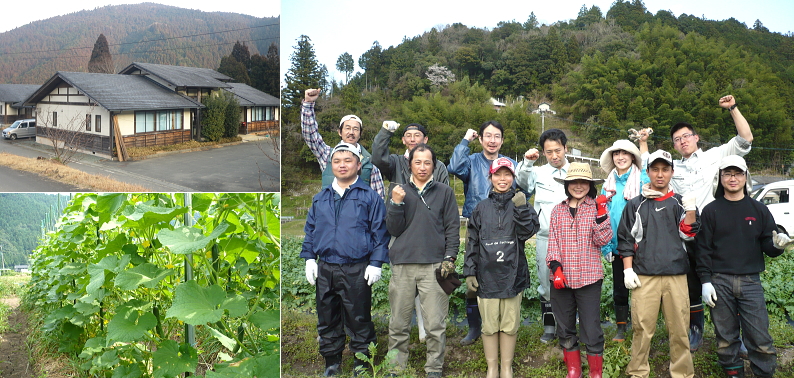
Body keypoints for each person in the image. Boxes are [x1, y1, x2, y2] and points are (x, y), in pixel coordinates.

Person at [640, 95, 753, 351]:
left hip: (718, 229)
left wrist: (733, 109)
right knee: (692, 281)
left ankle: (738, 336)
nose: (682, 141)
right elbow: (650, 165)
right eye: (677, 139)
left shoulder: (715, 155)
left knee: (726, 278)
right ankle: (696, 330)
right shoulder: (673, 168)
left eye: (685, 136)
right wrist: (644, 145)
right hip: (688, 232)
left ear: (696, 137)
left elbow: (745, 139)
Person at [696, 155, 792, 378]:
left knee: (760, 337)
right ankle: (733, 374)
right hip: (719, 281)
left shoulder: (758, 209)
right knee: (725, 338)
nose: (733, 178)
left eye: (738, 173)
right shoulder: (711, 211)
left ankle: (764, 373)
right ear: (720, 178)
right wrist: (705, 281)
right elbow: (703, 249)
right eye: (727, 173)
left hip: (750, 281)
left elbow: (769, 245)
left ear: (745, 177)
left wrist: (778, 245)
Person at [300, 143, 390, 377]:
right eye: (337, 161)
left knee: (358, 317)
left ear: (358, 165)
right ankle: (332, 361)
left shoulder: (369, 197)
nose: (342, 164)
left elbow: (380, 232)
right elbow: (310, 230)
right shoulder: (320, 199)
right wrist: (310, 258)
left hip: (356, 268)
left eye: (348, 160)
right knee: (327, 317)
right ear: (332, 165)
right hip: (326, 267)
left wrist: (376, 263)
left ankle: (362, 361)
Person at [618, 150, 699, 378]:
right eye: (655, 169)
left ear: (672, 172)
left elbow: (690, 234)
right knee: (641, 328)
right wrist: (627, 269)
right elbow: (625, 238)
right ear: (648, 172)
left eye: (665, 169)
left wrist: (691, 209)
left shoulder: (680, 203)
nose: (660, 174)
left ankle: (682, 373)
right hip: (645, 276)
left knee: (680, 330)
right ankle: (638, 371)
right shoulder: (635, 204)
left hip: (676, 275)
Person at [385, 143, 459, 378]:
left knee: (435, 324)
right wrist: (396, 203)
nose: (423, 167)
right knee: (398, 322)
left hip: (434, 265)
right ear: (409, 165)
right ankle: (395, 367)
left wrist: (450, 257)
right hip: (403, 264)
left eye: (428, 162)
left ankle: (434, 368)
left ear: (434, 166)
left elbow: (452, 228)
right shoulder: (397, 190)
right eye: (418, 162)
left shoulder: (445, 192)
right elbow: (393, 228)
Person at [464, 157, 539, 378]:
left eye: (507, 174)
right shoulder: (480, 208)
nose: (502, 179)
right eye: (498, 174)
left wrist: (522, 208)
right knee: (489, 325)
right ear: (491, 177)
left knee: (509, 324)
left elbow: (528, 232)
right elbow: (472, 242)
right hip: (486, 275)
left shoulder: (521, 203)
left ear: (514, 177)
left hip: (512, 275)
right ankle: (492, 367)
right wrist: (469, 270)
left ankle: (506, 367)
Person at [448, 120, 517, 346]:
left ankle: (500, 323)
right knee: (473, 273)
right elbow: (454, 168)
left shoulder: (509, 164)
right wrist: (464, 141)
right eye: (488, 135)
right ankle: (474, 327)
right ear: (481, 139)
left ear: (502, 140)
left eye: (497, 136)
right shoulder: (472, 161)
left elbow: (520, 189)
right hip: (476, 224)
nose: (492, 140)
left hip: (504, 228)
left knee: (501, 272)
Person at [546, 162, 613, 378]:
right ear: (567, 185)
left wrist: (602, 213)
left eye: (583, 182)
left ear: (590, 185)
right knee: (565, 326)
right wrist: (556, 268)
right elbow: (553, 242)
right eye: (573, 182)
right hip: (561, 279)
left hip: (589, 278)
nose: (578, 186)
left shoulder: (596, 208)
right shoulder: (558, 210)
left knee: (591, 327)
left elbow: (602, 239)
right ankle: (574, 370)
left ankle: (596, 372)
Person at [515, 128, 570, 343]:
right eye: (549, 152)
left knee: (571, 281)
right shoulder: (538, 172)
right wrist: (527, 163)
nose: (554, 156)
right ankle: (549, 327)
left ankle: (569, 327)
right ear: (544, 153)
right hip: (546, 237)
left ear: (566, 148)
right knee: (546, 283)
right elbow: (521, 183)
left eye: (558, 150)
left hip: (572, 238)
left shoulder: (576, 172)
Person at [598, 139, 649, 342]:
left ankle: (642, 325)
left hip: (640, 243)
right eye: (616, 153)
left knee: (643, 286)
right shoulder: (607, 184)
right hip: (617, 243)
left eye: (625, 153)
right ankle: (621, 328)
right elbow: (603, 214)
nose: (620, 157)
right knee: (620, 286)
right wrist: (607, 245)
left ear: (632, 157)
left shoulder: (643, 178)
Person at [301, 88, 385, 198]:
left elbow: (379, 198)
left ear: (360, 134)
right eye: (347, 128)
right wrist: (308, 104)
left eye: (355, 129)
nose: (351, 132)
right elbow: (310, 135)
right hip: (330, 213)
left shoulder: (370, 162)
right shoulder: (327, 154)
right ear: (340, 132)